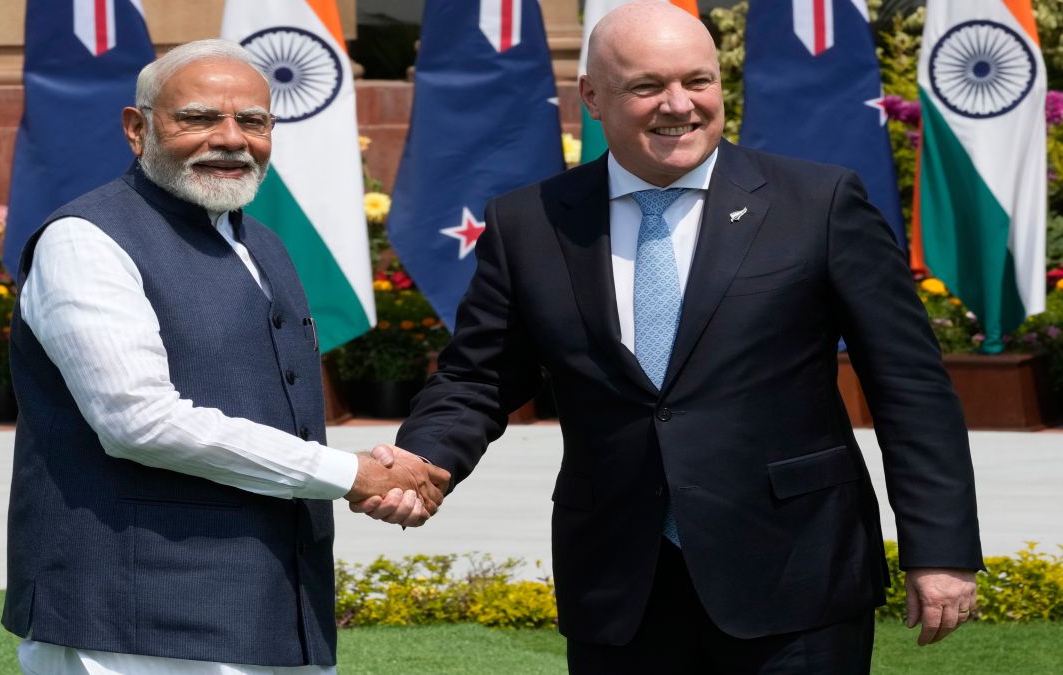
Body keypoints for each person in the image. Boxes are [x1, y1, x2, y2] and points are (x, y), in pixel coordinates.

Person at [364, 3, 983, 672]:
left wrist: (941, 546)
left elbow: (909, 385)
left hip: (797, 576)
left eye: (699, 80)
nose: (679, 105)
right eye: (647, 86)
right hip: (618, 585)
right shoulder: (529, 224)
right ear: (593, 98)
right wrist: (425, 457)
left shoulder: (820, 204)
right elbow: (478, 377)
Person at [0, 39, 448, 674]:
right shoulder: (85, 242)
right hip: (133, 619)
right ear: (137, 128)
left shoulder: (260, 243)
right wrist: (353, 475)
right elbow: (139, 421)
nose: (232, 138)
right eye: (199, 118)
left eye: (254, 121)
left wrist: (375, 474)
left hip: (273, 606)